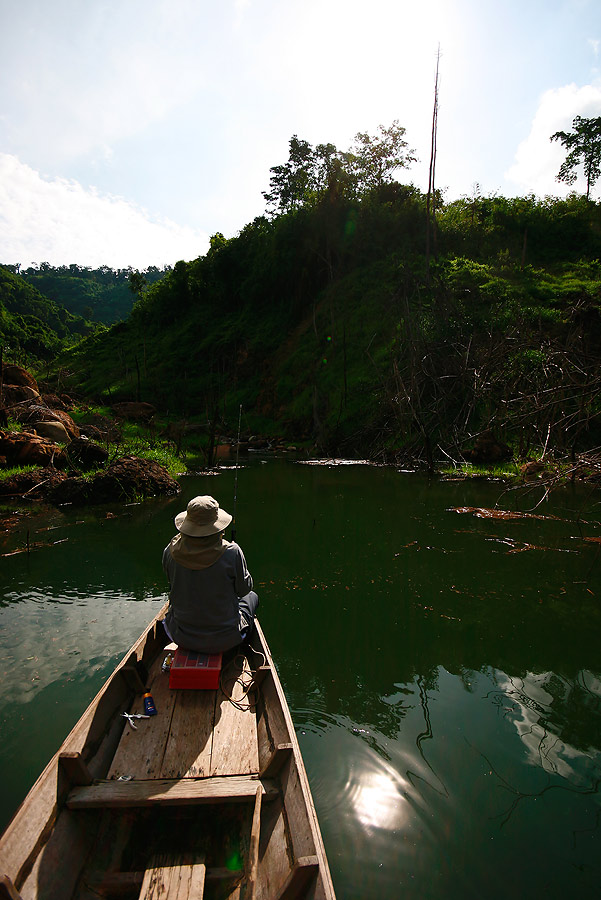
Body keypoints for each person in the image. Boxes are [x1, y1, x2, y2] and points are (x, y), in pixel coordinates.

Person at [162, 495, 259, 654]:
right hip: (225, 639)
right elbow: (244, 590)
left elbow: (171, 581)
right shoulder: (232, 553)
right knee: (252, 597)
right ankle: (241, 649)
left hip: (181, 636)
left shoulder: (169, 551)